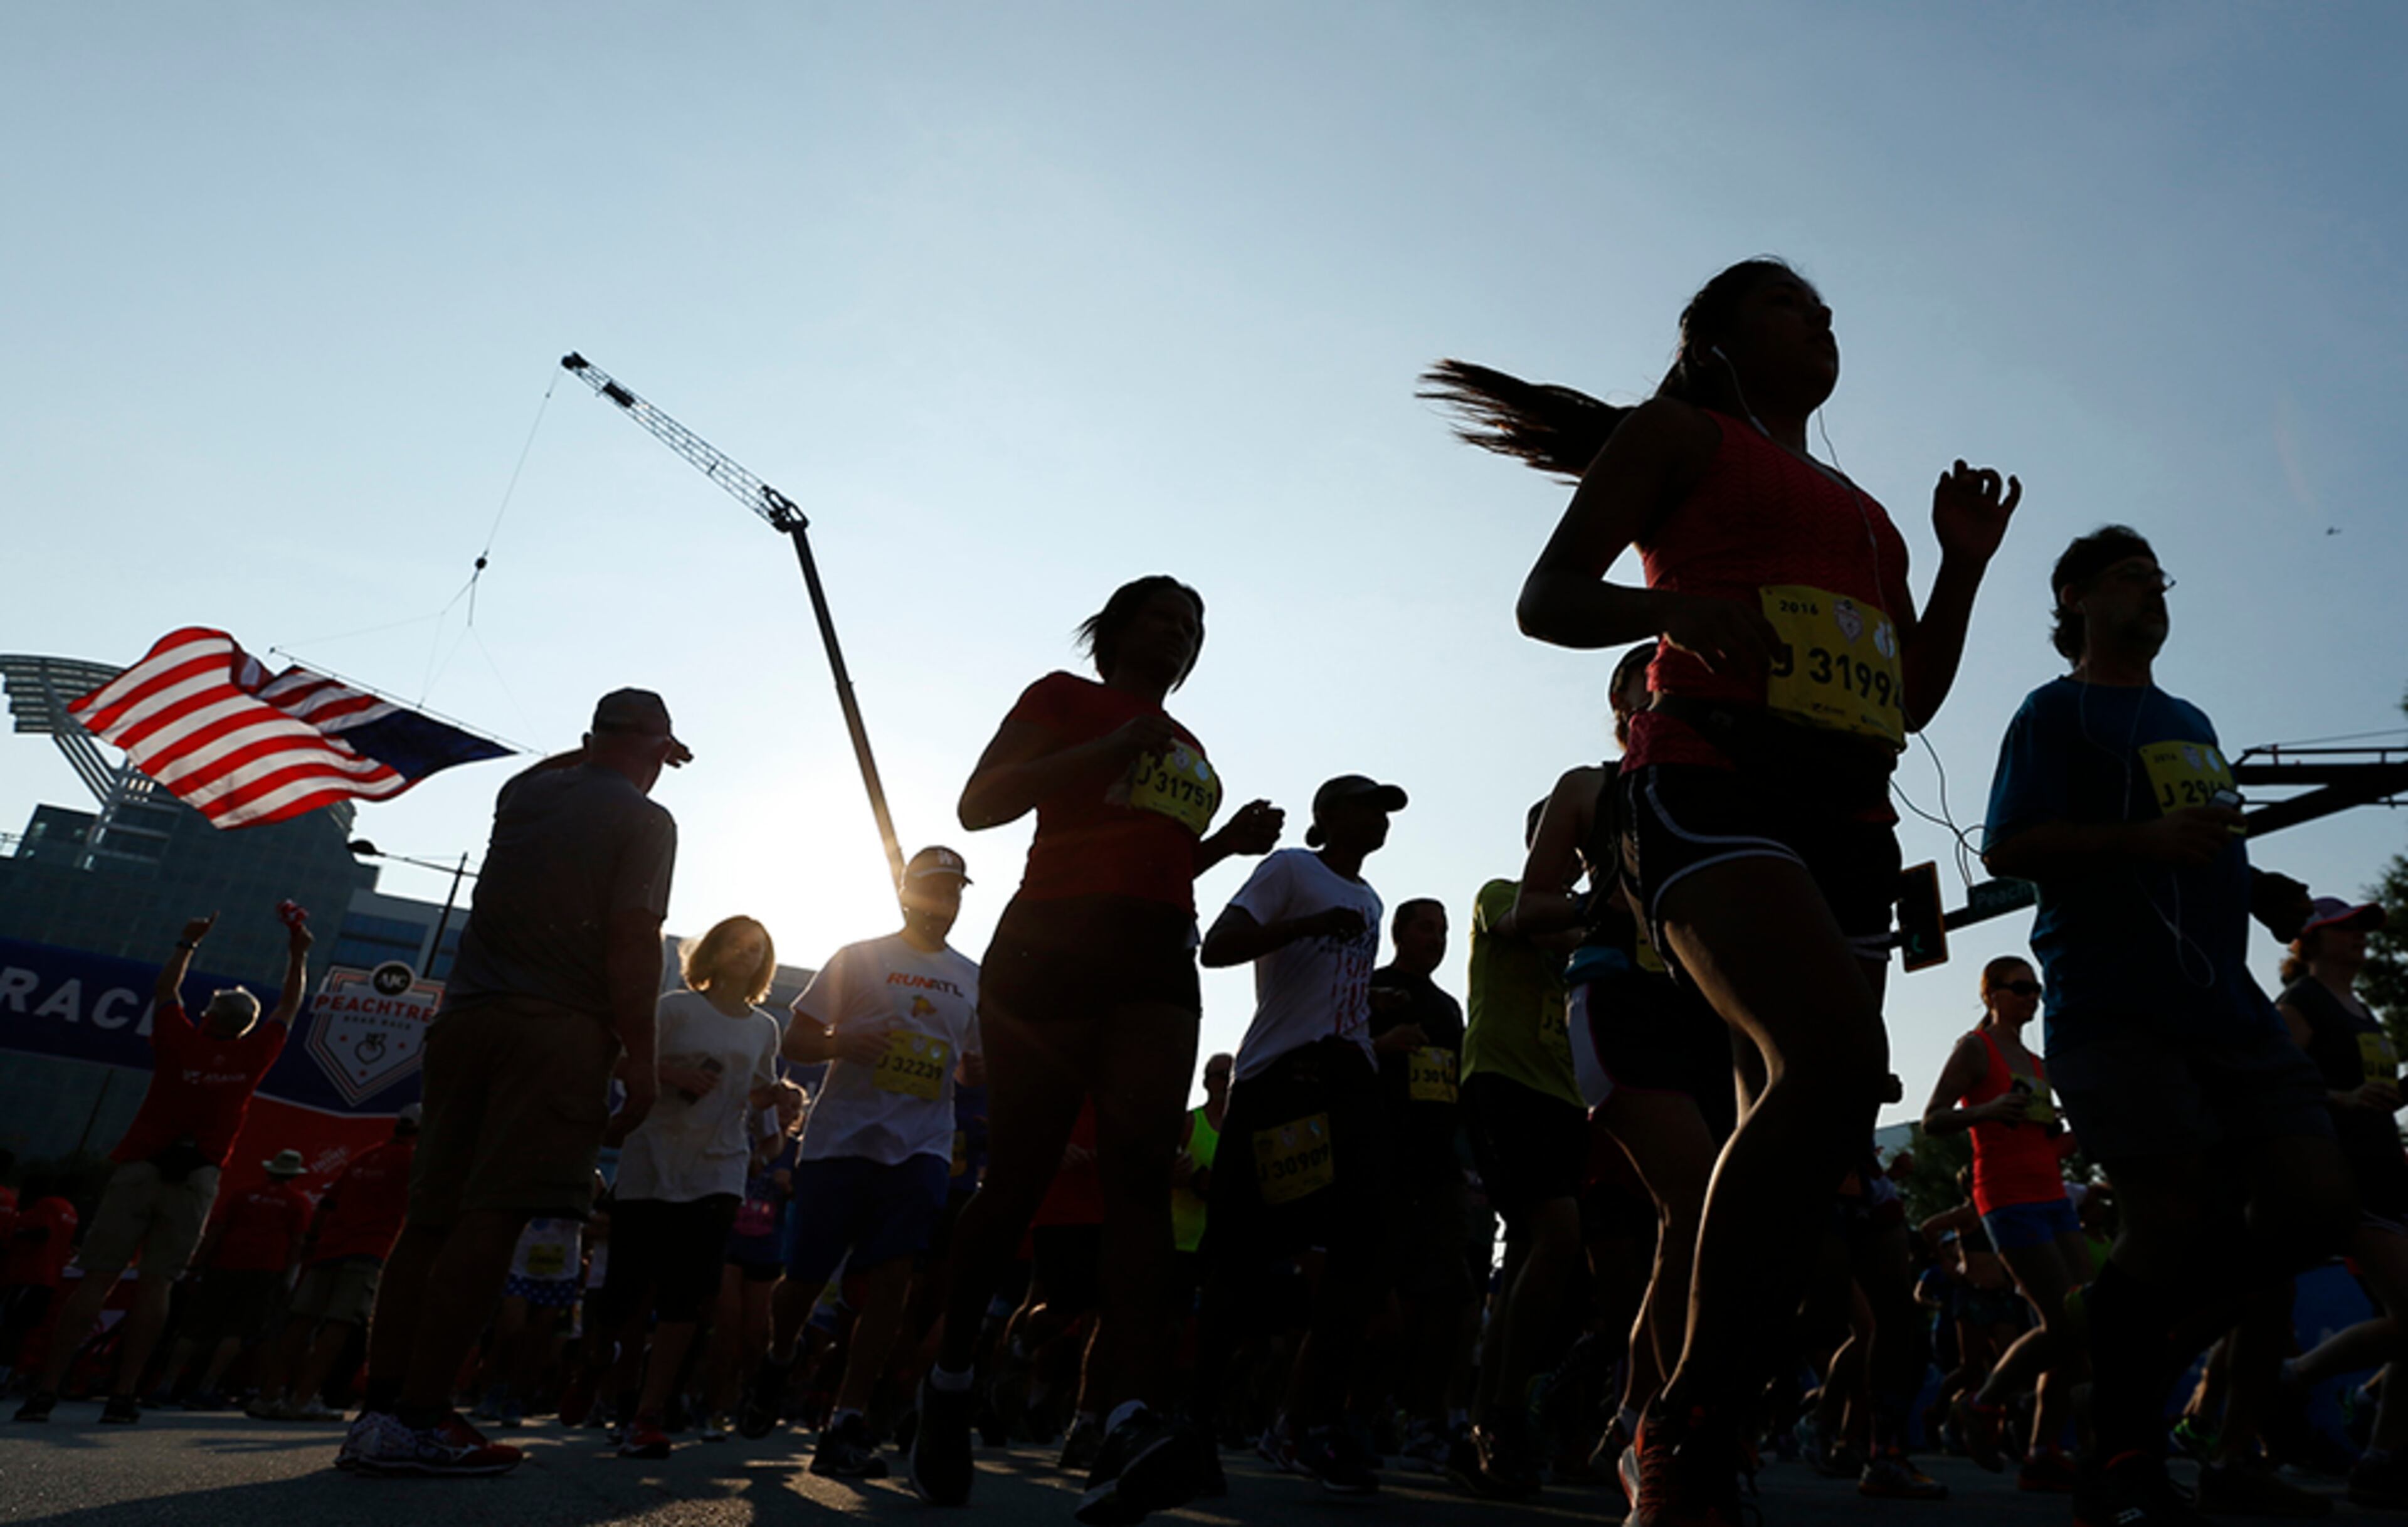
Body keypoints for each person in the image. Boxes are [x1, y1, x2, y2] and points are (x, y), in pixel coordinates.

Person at [1430, 257, 2021, 1526]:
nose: (1822, 320)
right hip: (1713, 784)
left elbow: (1911, 696)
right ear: (1712, 336)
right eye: (1789, 304)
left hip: (1850, 819)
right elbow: (1549, 597)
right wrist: (1683, 610)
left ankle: (1697, 1427)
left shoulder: (1870, 512)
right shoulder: (1678, 435)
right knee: (1833, 1053)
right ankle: (1682, 1412)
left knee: (1801, 1140)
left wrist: (1965, 564)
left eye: (1827, 311)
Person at [1983, 525, 2355, 1525]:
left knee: (2313, 1200)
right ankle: (2128, 1454)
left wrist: (2267, 884)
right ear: (2074, 600)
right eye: (2127, 577)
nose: (2152, 592)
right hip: (2114, 1004)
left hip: (2226, 1006)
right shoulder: (2053, 711)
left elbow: (2208, 837)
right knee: (2171, 1209)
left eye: (2160, 579)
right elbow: (2012, 841)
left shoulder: (2189, 715)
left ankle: (2123, 1348)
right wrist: (2138, 838)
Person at [911, 575, 1282, 1524]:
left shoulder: (1195, 749)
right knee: (1021, 1176)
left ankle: (1125, 1418)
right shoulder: (1062, 698)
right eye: (1164, 615)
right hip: (1053, 940)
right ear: (1114, 630)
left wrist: (1224, 844)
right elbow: (980, 803)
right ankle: (949, 1380)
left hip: (1159, 950)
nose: (1181, 632)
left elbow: (1152, 854)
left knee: (1140, 1179)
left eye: (1194, 624)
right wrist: (1108, 744)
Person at [348, 688, 684, 1477]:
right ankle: (424, 1416)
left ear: (590, 738)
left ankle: (382, 1410)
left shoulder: (525, 793)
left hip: (466, 1020)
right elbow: (635, 936)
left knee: (428, 1219)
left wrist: (618, 745)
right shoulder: (647, 820)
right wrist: (642, 1055)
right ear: (658, 749)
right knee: (492, 1218)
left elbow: (572, 760)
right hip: (555, 1030)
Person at [1518, 642, 1734, 1498]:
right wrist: (1596, 900)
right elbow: (1532, 908)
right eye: (1661, 674)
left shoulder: (1720, 785)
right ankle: (1648, 1417)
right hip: (1615, 997)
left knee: (1710, 1220)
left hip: (1706, 1010)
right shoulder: (1589, 787)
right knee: (1693, 1196)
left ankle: (1638, 1412)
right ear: (1622, 695)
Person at [14, 908, 311, 1425]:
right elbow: (289, 1003)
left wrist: (186, 944)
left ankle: (46, 1390)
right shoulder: (254, 1056)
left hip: (139, 1166)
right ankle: (124, 1394)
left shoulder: (178, 1040)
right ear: (245, 1028)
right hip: (197, 1178)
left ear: (209, 1017)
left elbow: (165, 992)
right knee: (158, 1285)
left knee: (96, 1279)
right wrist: (299, 952)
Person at [1194, 774, 1404, 1495]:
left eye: (1386, 810)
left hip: (1350, 1079)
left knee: (1358, 1259)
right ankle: (1190, 1426)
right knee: (1241, 1262)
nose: (1380, 818)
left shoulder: (1374, 901)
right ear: (1329, 817)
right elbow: (1217, 947)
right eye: (1368, 805)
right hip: (1280, 1078)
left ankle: (1307, 1422)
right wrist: (1304, 925)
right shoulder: (1291, 867)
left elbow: (1336, 990)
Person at [744, 848, 981, 1479]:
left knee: (891, 1282)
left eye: (955, 892)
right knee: (803, 1278)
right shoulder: (858, 957)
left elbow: (974, 1065)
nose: (945, 902)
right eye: (934, 889)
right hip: (841, 1140)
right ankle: (778, 1353)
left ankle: (848, 1418)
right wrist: (844, 1041)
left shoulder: (972, 976)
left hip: (922, 1147)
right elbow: (797, 1041)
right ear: (906, 894)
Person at [601, 912, 792, 1459]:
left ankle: (648, 1414)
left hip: (719, 1168)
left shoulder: (764, 1027)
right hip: (651, 1160)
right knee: (629, 1293)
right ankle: (615, 1388)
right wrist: (671, 1074)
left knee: (689, 1293)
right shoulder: (674, 1008)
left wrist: (780, 1098)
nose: (745, 954)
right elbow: (618, 1063)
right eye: (735, 943)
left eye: (757, 948)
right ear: (712, 950)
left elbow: (754, 1094)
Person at [1918, 955, 2086, 1490]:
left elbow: (2044, 1145)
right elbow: (1933, 1118)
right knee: (2061, 1322)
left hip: (2052, 1194)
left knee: (2081, 1321)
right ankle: (1983, 1402)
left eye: (2035, 990)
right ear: (1990, 993)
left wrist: (2077, 1130)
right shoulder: (1975, 1048)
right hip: (2006, 1197)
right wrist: (1985, 1112)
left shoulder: (2038, 1064)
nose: (2030, 998)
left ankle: (2043, 1449)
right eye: (2019, 988)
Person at [1460, 801, 1583, 1496]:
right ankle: (1503, 1410)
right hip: (1503, 1082)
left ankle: (1488, 1416)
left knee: (1539, 1255)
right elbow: (1536, 926)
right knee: (1556, 1234)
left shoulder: (1597, 915)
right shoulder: (1500, 894)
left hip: (1566, 1096)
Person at [2274, 896, 2408, 1509]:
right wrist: (2344, 1100)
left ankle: (2379, 1455)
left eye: (2361, 928)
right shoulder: (2302, 1003)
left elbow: (2373, 1094)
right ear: (2309, 941)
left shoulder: (2366, 1011)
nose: (2358, 936)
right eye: (2344, 928)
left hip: (2385, 1173)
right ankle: (2298, 1381)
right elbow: (2275, 1079)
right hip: (2337, 1174)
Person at [1365, 900, 1472, 1474]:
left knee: (1446, 1299)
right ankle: (1355, 1411)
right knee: (1377, 1302)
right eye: (1427, 927)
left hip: (1437, 1170)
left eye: (1444, 930)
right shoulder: (1370, 989)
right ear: (1399, 933)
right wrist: (1383, 1045)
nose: (1437, 938)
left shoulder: (1448, 1008)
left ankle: (1425, 1419)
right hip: (1380, 1163)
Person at [251, 1106, 421, 1422]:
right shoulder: (413, 1162)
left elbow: (328, 1205)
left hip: (330, 1248)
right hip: (370, 1248)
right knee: (338, 1325)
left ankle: (269, 1395)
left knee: (301, 1322)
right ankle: (303, 1399)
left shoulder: (364, 1157)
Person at [152, 1146, 314, 1405]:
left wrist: (198, 1264)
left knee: (195, 1327)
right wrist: (289, 1277)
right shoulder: (298, 1201)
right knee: (237, 1330)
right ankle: (207, 1388)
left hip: (224, 1264)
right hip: (265, 1270)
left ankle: (165, 1385)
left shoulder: (242, 1194)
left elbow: (216, 1229)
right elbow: (297, 1242)